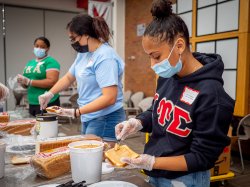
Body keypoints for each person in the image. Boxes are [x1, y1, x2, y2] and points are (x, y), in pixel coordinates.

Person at [115, 0, 235, 187]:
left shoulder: (212, 95)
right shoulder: (168, 75)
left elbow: (201, 157)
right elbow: (158, 111)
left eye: (156, 57)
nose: (153, 66)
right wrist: (138, 122)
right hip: (156, 173)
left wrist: (151, 161)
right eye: (150, 57)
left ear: (179, 46)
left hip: (187, 179)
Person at [39, 14, 125, 143]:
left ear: (86, 34)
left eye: (74, 38)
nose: (73, 42)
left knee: (96, 159)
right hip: (88, 115)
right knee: (88, 156)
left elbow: (110, 97)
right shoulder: (83, 54)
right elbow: (69, 77)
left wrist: (76, 112)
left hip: (105, 117)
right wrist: (50, 93)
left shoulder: (105, 56)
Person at [17, 37, 60, 116]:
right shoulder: (30, 63)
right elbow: (26, 84)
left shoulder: (51, 62)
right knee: (35, 127)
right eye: (36, 46)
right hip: (32, 102)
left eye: (42, 47)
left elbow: (52, 82)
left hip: (47, 102)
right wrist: (22, 82)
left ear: (47, 48)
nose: (39, 48)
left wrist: (30, 81)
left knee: (46, 128)